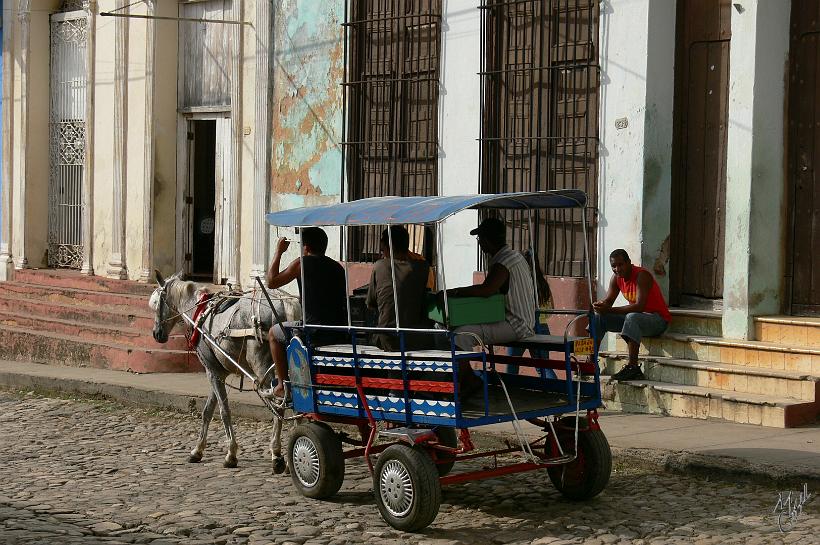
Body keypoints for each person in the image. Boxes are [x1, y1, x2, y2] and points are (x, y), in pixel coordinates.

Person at [447, 217, 537, 394]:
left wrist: (454, 292)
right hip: (519, 320)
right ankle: (466, 377)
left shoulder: (503, 262)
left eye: (480, 239)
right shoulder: (514, 256)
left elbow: (486, 290)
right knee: (460, 328)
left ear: (487, 240)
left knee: (460, 335)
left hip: (515, 324)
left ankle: (468, 380)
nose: (480, 244)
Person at [266, 227, 347, 398]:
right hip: (337, 329)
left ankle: (281, 385)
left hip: (313, 330)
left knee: (273, 333)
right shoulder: (338, 268)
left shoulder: (302, 263)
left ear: (306, 247)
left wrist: (279, 252)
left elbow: (271, 282)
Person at [593, 248, 671, 381]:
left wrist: (609, 310)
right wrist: (600, 306)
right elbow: (609, 301)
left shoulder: (642, 275)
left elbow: (639, 306)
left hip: (658, 320)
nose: (617, 269)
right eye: (614, 266)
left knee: (632, 316)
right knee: (598, 318)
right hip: (637, 320)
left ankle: (633, 367)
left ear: (629, 262)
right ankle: (591, 363)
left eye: (620, 265)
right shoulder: (616, 278)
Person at [366, 226, 432, 351]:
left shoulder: (380, 266)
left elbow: (371, 303)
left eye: (383, 249)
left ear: (390, 247)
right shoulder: (423, 266)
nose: (382, 252)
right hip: (418, 337)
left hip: (389, 339)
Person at [505, 250, 556, 380]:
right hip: (543, 327)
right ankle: (556, 392)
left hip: (521, 326)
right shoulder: (543, 283)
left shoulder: (520, 283)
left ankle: (510, 393)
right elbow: (552, 308)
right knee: (544, 367)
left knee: (512, 365)